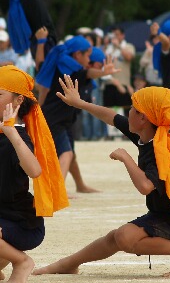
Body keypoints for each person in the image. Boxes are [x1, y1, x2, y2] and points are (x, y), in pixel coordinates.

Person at [33, 77, 170, 278]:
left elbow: (145, 186)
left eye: (133, 109)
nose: (128, 112)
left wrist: (126, 158)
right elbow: (111, 117)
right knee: (114, 237)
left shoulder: (160, 150)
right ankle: (68, 264)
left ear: (143, 118)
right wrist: (79, 103)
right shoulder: (147, 134)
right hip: (166, 214)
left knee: (125, 237)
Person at [0, 65, 68, 283]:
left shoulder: (17, 137)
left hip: (22, 224)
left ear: (18, 101)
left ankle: (21, 261)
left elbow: (34, 170)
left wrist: (11, 134)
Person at [35, 36, 120, 191]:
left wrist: (41, 43)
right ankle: (57, 190)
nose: (88, 59)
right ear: (77, 55)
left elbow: (39, 63)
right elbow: (88, 73)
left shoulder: (57, 66)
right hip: (55, 119)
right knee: (66, 153)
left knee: (71, 154)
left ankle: (80, 185)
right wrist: (102, 72)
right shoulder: (73, 72)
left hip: (62, 119)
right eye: (86, 55)